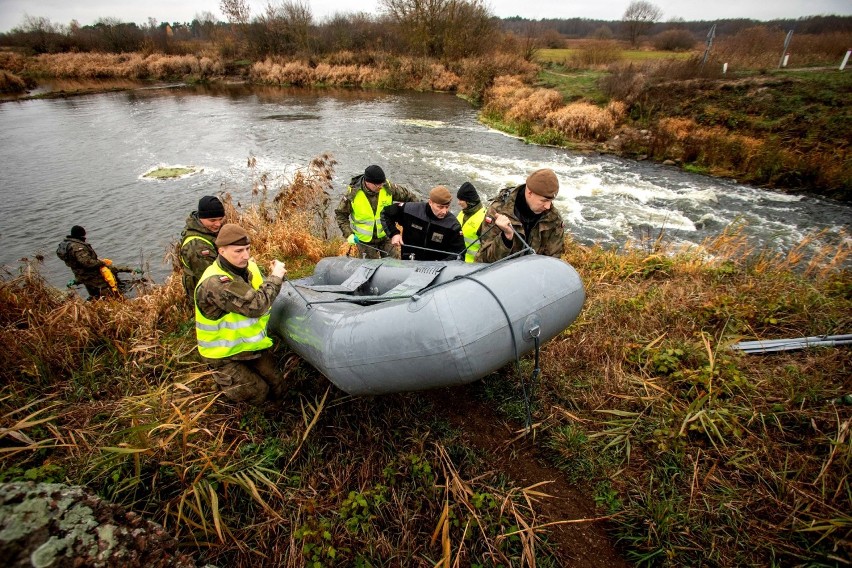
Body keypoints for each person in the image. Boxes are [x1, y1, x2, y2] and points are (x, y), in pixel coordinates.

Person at [194, 223, 288, 405]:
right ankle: (225, 386)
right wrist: (275, 277)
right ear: (221, 251)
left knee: (277, 382)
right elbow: (257, 306)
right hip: (223, 356)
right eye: (238, 251)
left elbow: (260, 288)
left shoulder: (248, 267)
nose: (245, 256)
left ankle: (281, 411)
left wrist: (272, 275)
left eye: (247, 249)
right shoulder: (215, 283)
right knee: (258, 391)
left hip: (249, 347)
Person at [475, 168, 565, 262]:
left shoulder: (553, 219)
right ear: (529, 193)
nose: (548, 206)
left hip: (532, 274)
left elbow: (552, 262)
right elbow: (484, 260)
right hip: (500, 273)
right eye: (544, 200)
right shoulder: (498, 210)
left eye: (551, 201)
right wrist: (506, 238)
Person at [334, 164, 418, 259]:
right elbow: (340, 215)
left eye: (382, 183)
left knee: (394, 265)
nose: (381, 186)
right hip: (364, 241)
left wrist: (420, 213)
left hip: (386, 236)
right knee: (369, 268)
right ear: (367, 182)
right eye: (377, 184)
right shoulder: (352, 195)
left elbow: (410, 197)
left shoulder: (388, 188)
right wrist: (349, 234)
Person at [380, 185, 465, 261]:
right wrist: (394, 233)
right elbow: (385, 213)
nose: (444, 211)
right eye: (440, 207)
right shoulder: (410, 210)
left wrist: (441, 264)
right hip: (409, 262)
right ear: (430, 202)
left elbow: (459, 253)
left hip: (435, 269)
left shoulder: (452, 225)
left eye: (447, 207)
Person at [56, 225, 130, 299]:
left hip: (82, 276)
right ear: (80, 234)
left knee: (95, 296)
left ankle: (97, 303)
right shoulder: (77, 247)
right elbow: (87, 263)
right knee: (110, 296)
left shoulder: (66, 245)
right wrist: (101, 262)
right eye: (84, 234)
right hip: (93, 277)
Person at [180, 195, 225, 301]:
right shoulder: (197, 247)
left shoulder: (206, 229)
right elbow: (211, 280)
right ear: (201, 218)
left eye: (220, 219)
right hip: (205, 296)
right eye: (212, 220)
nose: (218, 224)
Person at [456, 182, 486, 263]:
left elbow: (487, 250)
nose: (458, 203)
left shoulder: (484, 219)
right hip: (457, 260)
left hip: (472, 265)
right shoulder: (462, 213)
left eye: (461, 200)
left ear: (469, 201)